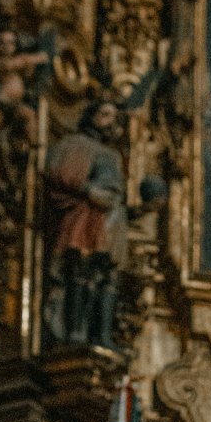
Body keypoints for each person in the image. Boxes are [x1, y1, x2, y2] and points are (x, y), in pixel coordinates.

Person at [42, 99, 128, 349]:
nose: (109, 121)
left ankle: (100, 335)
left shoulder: (112, 153)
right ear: (90, 115)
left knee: (105, 275)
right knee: (79, 269)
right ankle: (74, 332)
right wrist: (89, 190)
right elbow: (58, 174)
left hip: (109, 220)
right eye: (104, 114)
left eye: (113, 116)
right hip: (85, 216)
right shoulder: (75, 145)